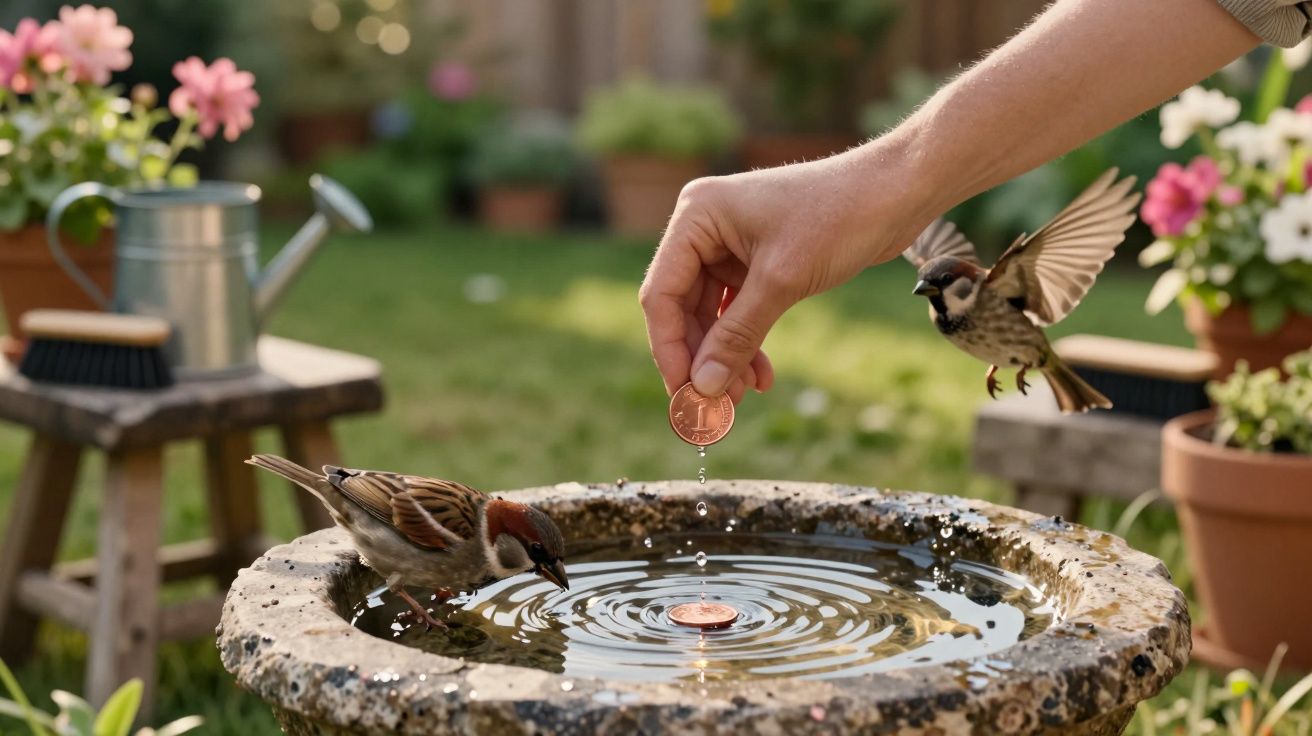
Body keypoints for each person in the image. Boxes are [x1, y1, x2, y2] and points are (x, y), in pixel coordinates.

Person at [640, 0, 1307, 404]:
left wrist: (889, 187)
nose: (927, 290)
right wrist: (887, 188)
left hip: (1029, 348)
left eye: (938, 284)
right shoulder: (942, 285)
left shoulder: (1001, 285)